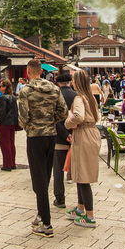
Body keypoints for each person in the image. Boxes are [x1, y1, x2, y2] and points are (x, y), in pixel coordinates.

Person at [18, 59, 68, 238]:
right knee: (45, 176)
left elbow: (22, 117)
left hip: (35, 136)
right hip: (51, 135)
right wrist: (51, 122)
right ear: (41, 71)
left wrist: (31, 125)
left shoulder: (26, 91)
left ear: (28, 71)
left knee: (38, 180)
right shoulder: (54, 89)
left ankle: (46, 224)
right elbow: (63, 112)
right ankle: (40, 215)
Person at [64, 70, 101, 228]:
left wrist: (67, 123)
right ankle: (80, 208)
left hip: (83, 134)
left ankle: (89, 215)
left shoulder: (79, 98)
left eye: (73, 79)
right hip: (92, 133)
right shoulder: (91, 97)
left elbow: (78, 117)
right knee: (80, 173)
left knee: (83, 175)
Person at [53, 72, 76, 209]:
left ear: (58, 84)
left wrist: (64, 134)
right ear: (70, 82)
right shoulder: (77, 96)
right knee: (78, 171)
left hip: (59, 138)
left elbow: (54, 119)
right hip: (75, 138)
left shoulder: (55, 96)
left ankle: (60, 198)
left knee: (58, 170)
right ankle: (81, 202)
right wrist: (71, 134)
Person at [0, 79, 19, 170]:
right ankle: (12, 163)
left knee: (5, 144)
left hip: (4, 124)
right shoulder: (13, 97)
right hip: (12, 123)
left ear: (5, 87)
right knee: (11, 143)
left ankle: (7, 164)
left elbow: (2, 112)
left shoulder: (3, 98)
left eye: (1, 86)